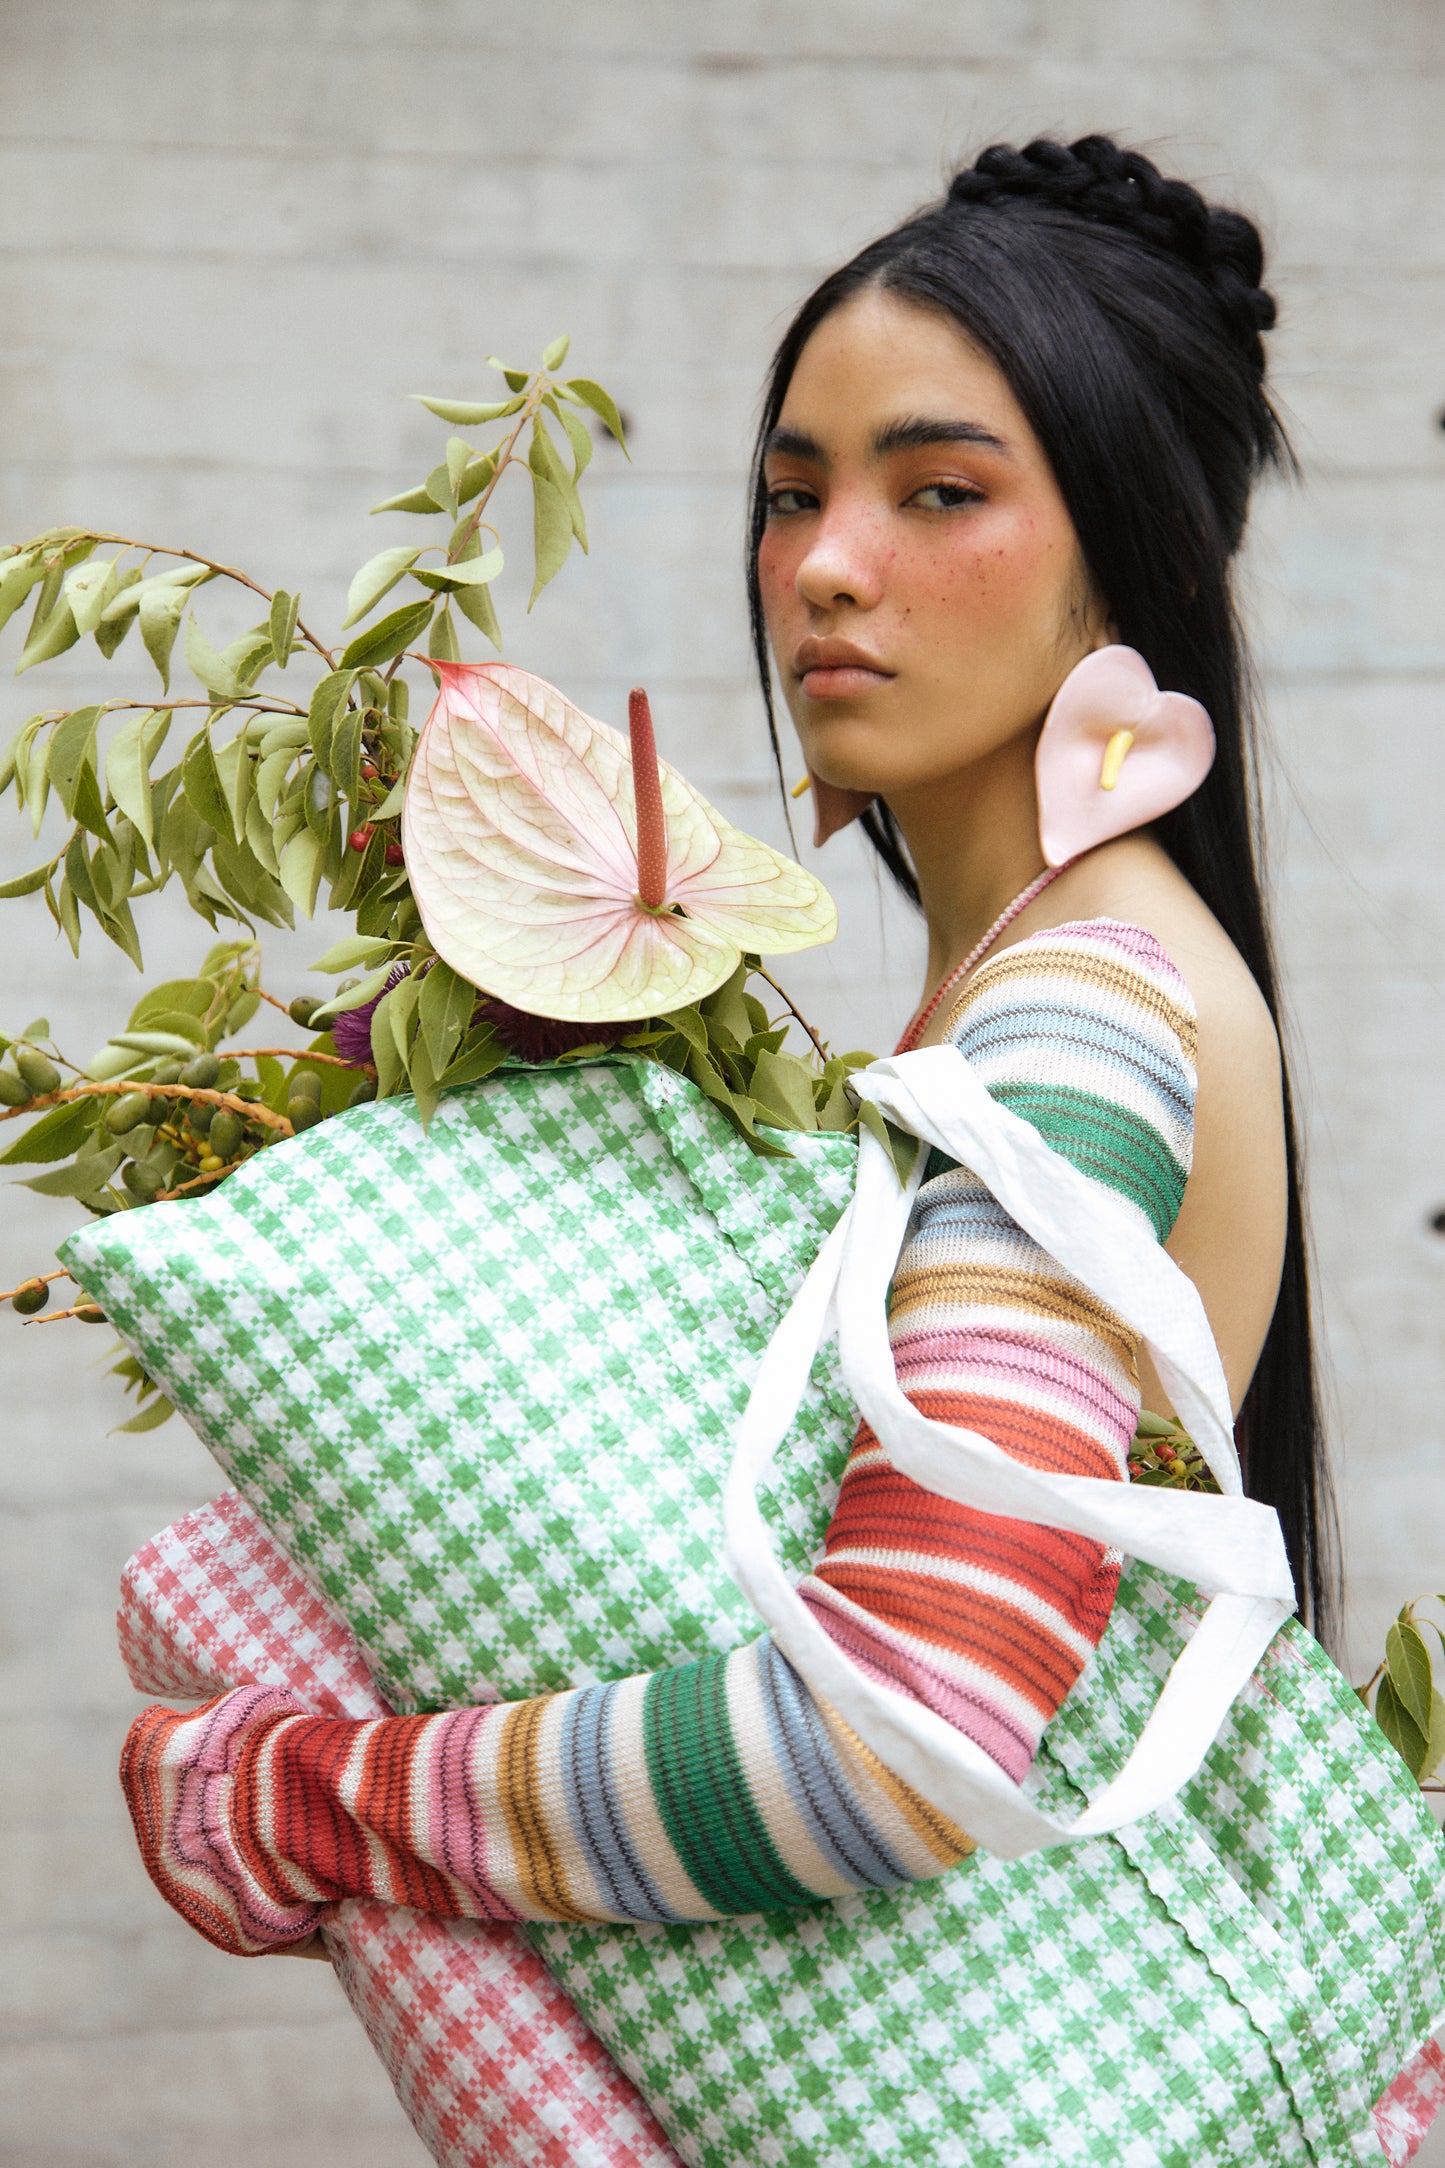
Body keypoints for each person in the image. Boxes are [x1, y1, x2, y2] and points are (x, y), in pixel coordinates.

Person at [120, 134, 1404, 2157]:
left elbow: (900, 1735)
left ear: (1133, 553)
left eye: (939, 490)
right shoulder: (1054, 976)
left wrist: (318, 1795)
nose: (821, 559)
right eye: (792, 492)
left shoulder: (1083, 1015)